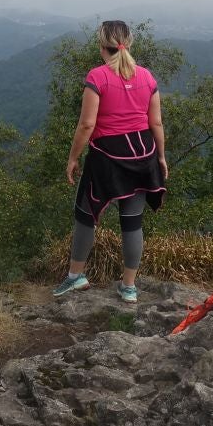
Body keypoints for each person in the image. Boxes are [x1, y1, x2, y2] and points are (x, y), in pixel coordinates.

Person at [53, 20, 167, 304]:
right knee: (132, 223)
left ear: (101, 46)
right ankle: (128, 287)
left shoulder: (98, 76)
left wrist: (72, 158)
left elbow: (86, 124)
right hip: (143, 156)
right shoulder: (147, 77)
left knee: (86, 215)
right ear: (128, 43)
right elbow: (156, 122)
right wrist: (161, 158)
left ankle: (75, 276)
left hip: (108, 158)